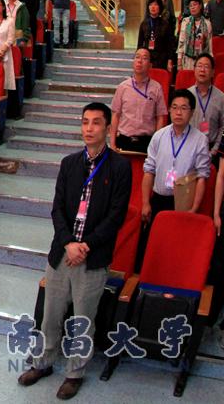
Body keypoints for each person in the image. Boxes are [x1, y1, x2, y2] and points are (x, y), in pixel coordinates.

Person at [17, 102, 131, 400]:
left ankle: (74, 373)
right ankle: (43, 363)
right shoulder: (69, 163)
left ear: (108, 128)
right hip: (62, 253)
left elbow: (116, 216)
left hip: (92, 258)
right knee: (51, 315)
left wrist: (85, 246)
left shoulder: (120, 167)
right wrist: (68, 243)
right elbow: (57, 209)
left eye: (96, 122)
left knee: (83, 320)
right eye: (84, 122)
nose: (89, 128)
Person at [141, 90, 212, 225]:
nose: (178, 112)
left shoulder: (200, 140)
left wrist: (194, 209)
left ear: (192, 112)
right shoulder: (158, 136)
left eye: (184, 108)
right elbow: (149, 171)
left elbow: (202, 177)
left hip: (184, 202)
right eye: (174, 107)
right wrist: (145, 203)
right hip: (159, 199)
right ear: (169, 109)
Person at [109, 48, 168, 153]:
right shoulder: (123, 87)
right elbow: (115, 115)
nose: (140, 61)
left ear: (150, 65)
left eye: (144, 58)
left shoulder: (156, 88)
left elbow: (160, 118)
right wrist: (112, 144)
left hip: (146, 142)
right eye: (137, 57)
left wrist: (156, 144)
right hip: (124, 140)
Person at [188, 54, 222, 156]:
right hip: (188, 148)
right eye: (199, 66)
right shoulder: (187, 95)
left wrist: (215, 150)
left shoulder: (221, 98)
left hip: (211, 149)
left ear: (213, 72)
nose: (202, 70)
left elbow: (223, 127)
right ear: (194, 69)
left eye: (206, 67)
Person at [137, 0, 174, 72]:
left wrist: (170, 60)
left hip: (162, 59)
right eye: (150, 5)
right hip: (147, 58)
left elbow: (170, 44)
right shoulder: (144, 24)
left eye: (155, 5)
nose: (153, 7)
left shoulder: (165, 24)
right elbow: (140, 44)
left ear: (160, 7)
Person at [176, 0, 212, 70]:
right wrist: (179, 62)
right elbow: (181, 43)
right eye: (190, 6)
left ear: (200, 6)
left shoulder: (207, 23)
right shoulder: (185, 22)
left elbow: (210, 45)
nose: (192, 7)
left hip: (202, 59)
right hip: (188, 60)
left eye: (195, 4)